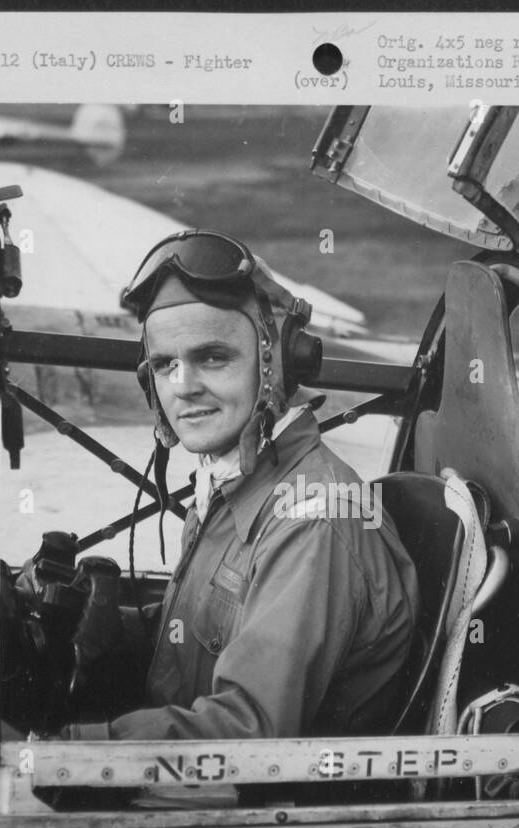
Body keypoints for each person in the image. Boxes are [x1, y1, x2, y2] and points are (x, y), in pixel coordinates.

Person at [64, 230, 419, 743]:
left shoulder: (313, 522)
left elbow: (244, 736)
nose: (182, 386)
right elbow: (205, 638)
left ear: (275, 364)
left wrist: (59, 753)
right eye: (165, 364)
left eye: (213, 357)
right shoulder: (232, 479)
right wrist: (108, 627)